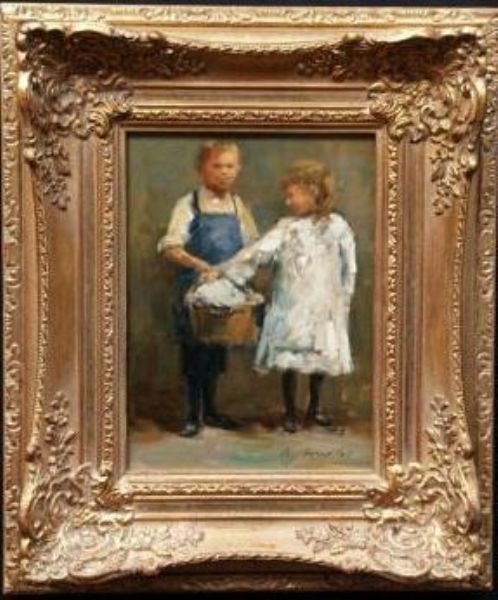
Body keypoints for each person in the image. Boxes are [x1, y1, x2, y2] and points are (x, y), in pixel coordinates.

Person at [218, 159, 356, 433]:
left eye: (293, 195)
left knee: (320, 356)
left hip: (324, 304)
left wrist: (344, 298)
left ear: (313, 192)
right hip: (292, 304)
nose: (287, 201)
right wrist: (225, 271)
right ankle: (291, 412)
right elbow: (257, 253)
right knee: (289, 360)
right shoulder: (286, 228)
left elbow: (349, 266)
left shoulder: (338, 227)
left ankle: (314, 408)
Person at [157, 141, 259, 437]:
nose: (224, 172)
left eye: (230, 166)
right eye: (217, 166)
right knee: (194, 352)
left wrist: (238, 270)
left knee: (216, 351)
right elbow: (171, 247)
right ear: (202, 169)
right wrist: (202, 266)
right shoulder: (188, 204)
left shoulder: (238, 206)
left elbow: (252, 245)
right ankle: (192, 415)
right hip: (194, 287)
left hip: (226, 288)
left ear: (238, 169)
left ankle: (211, 411)